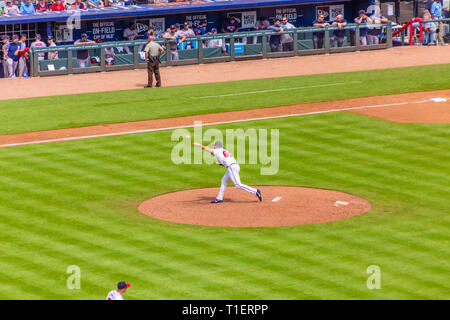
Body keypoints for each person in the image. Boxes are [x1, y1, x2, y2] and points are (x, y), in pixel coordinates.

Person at [193, 141, 262, 203]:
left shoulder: (218, 151)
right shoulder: (224, 151)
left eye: (214, 146)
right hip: (234, 166)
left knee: (238, 184)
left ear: (217, 146)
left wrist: (199, 145)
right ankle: (219, 198)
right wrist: (221, 163)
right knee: (223, 180)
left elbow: (208, 149)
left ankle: (255, 191)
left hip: (232, 167)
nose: (213, 147)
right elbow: (224, 163)